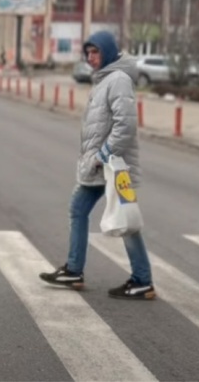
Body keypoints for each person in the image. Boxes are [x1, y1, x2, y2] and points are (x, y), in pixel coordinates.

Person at [39, 31, 156, 300]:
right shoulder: (106, 78)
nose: (91, 58)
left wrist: (102, 156)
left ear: (108, 52)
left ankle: (139, 280)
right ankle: (77, 270)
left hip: (112, 165)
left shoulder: (118, 79)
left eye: (96, 52)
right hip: (104, 165)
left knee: (123, 221)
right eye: (88, 53)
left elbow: (125, 125)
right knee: (88, 211)